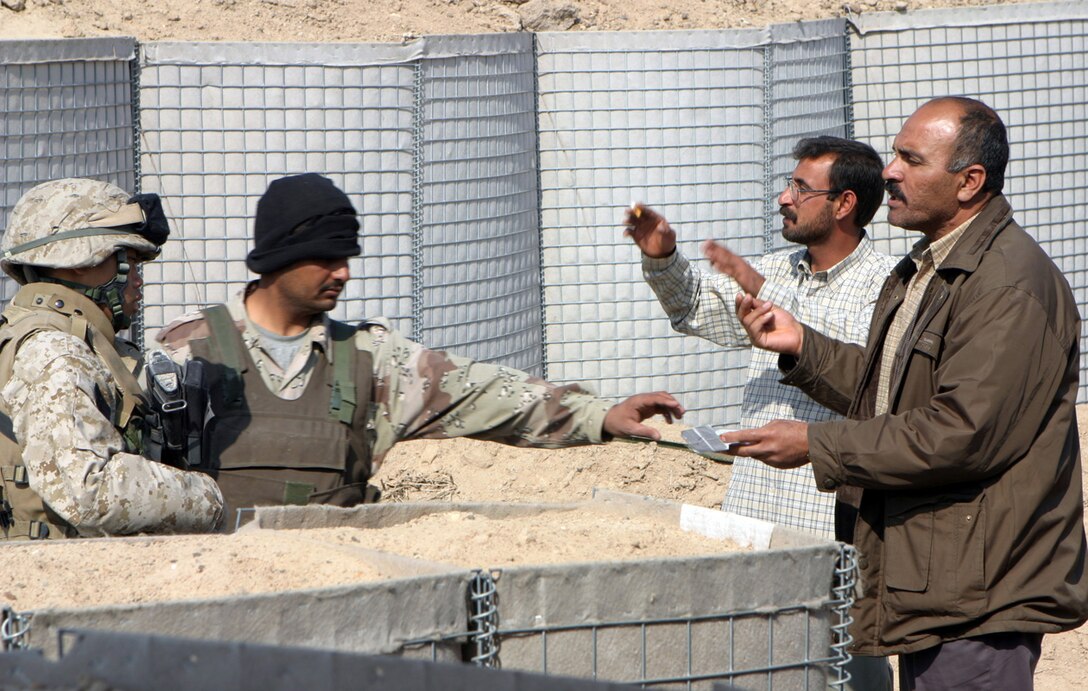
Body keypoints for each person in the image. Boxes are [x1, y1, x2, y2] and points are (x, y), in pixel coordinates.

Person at [728, 97, 1088, 690]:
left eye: (910, 159)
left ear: (969, 182)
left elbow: (958, 432)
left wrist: (817, 444)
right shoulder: (932, 266)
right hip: (941, 581)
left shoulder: (1006, 287)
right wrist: (800, 346)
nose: (889, 171)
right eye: (895, 154)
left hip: (980, 596)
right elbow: (894, 391)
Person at [156, 173, 683, 518]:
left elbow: (488, 395)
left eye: (347, 257)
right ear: (277, 258)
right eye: (326, 256)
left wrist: (599, 415)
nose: (343, 272)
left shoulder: (369, 360)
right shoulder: (187, 354)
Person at [626, 136, 895, 540]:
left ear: (844, 204)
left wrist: (761, 288)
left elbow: (869, 383)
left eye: (802, 189)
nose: (785, 198)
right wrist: (663, 258)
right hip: (749, 512)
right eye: (790, 184)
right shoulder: (778, 269)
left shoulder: (887, 287)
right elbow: (696, 306)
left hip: (822, 527)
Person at [0, 178, 224, 540]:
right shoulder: (57, 352)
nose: (137, 281)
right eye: (129, 262)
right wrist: (207, 499)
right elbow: (89, 491)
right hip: (60, 581)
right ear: (77, 263)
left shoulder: (65, 339)